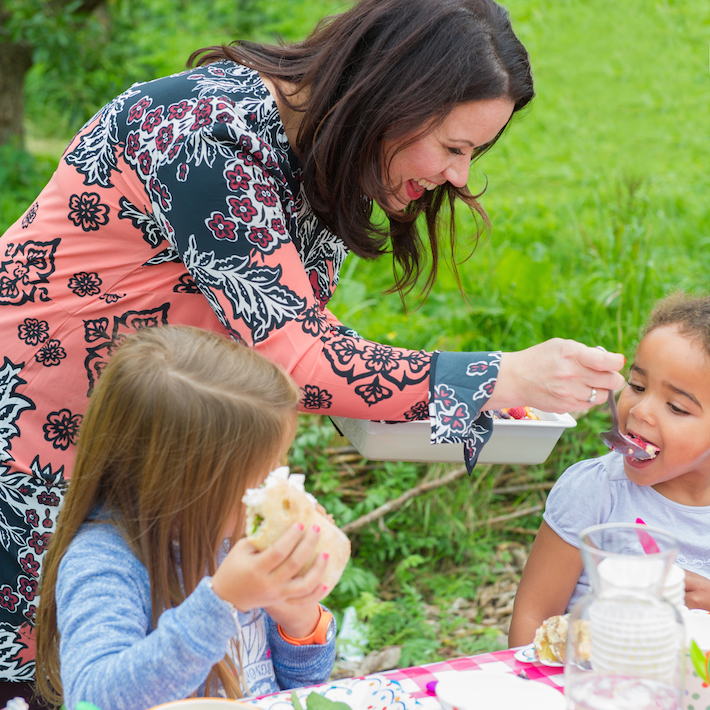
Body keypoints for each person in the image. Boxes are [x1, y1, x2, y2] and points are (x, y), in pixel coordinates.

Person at [0, 0, 624, 697]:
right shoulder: (203, 131)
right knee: (52, 675)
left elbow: (300, 349)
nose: (459, 177)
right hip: (33, 447)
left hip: (147, 457)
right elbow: (296, 359)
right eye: (454, 147)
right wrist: (495, 376)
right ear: (393, 97)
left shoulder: (324, 164)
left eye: (474, 154)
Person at [34, 325, 336, 709]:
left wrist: (298, 622)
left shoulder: (235, 538)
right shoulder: (105, 562)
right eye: (263, 473)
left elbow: (301, 690)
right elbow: (94, 699)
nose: (277, 482)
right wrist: (221, 601)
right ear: (188, 483)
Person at [508, 292, 710, 648]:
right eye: (636, 385)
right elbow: (532, 620)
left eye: (676, 407)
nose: (640, 411)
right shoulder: (595, 492)